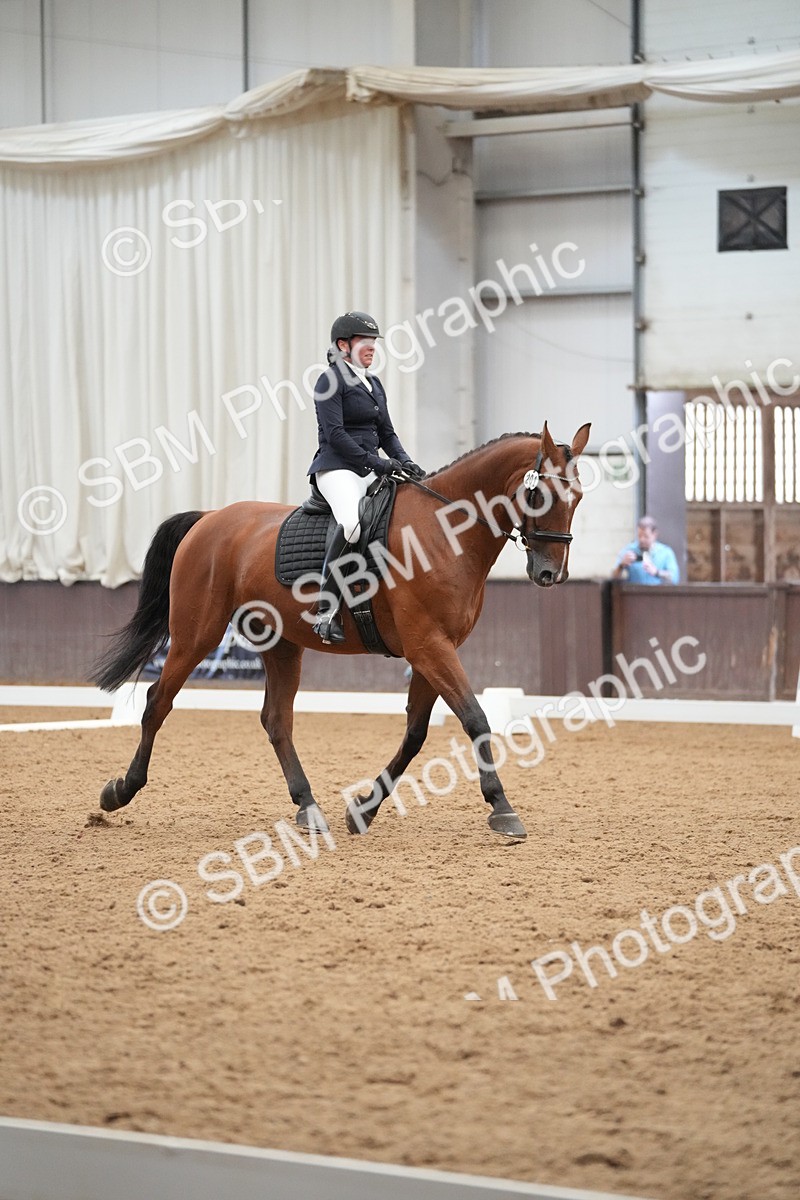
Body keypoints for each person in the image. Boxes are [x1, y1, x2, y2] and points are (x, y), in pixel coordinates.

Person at [306, 311, 425, 644]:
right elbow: (336, 435)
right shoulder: (329, 380)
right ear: (344, 345)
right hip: (336, 468)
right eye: (365, 341)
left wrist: (405, 461)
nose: (372, 347)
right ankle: (325, 612)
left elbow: (387, 432)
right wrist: (378, 463)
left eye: (374, 342)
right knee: (351, 524)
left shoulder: (373, 383)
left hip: (370, 469)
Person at [612, 516, 679, 585]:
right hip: (633, 593)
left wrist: (657, 572)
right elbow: (614, 577)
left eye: (646, 536)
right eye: (639, 536)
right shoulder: (629, 550)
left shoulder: (665, 552)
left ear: (655, 534)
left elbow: (674, 577)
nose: (642, 540)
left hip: (657, 593)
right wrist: (621, 565)